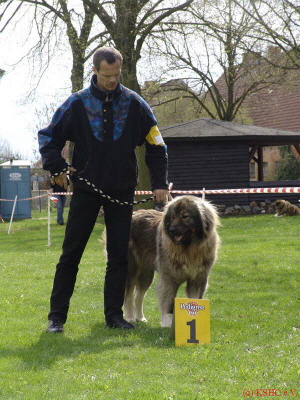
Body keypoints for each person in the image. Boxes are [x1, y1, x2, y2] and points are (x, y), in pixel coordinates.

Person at [38, 47, 169, 333]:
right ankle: (56, 319)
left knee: (119, 256)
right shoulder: (76, 104)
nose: (113, 80)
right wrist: (57, 166)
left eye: (117, 74)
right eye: (107, 75)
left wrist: (159, 182)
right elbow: (48, 136)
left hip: (122, 191)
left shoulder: (136, 104)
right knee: (71, 253)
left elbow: (157, 144)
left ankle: (114, 317)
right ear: (95, 71)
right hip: (86, 188)